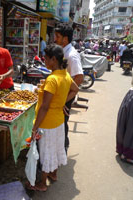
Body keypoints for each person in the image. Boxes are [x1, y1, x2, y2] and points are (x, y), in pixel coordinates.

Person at [26, 44, 79, 191]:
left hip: (47, 123)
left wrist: (35, 127)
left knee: (46, 153)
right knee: (55, 148)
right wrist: (62, 102)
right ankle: (53, 174)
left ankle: (42, 184)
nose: (44, 62)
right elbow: (75, 89)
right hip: (59, 121)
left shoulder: (52, 79)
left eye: (46, 59)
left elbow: (44, 106)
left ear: (54, 59)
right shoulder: (65, 75)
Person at [54, 24, 84, 152]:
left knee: (62, 124)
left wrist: (65, 99)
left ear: (65, 39)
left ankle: (63, 150)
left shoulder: (71, 55)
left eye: (57, 36)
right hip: (61, 96)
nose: (55, 39)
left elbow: (79, 78)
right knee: (59, 123)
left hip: (65, 97)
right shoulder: (63, 52)